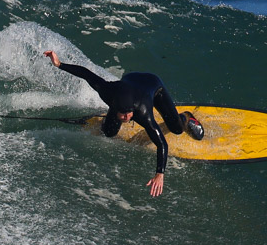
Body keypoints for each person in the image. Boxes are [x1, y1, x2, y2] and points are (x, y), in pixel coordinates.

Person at [44, 50, 203, 197]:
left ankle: (186, 118)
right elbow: (88, 75)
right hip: (129, 81)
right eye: (123, 114)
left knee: (175, 128)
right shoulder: (107, 91)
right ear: (114, 107)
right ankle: (107, 119)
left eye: (129, 114)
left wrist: (159, 173)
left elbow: (162, 144)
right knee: (108, 132)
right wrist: (59, 64)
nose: (127, 117)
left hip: (153, 86)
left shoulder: (143, 113)